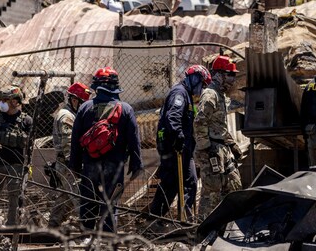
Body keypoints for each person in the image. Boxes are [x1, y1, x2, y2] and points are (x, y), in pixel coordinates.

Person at [70, 67, 143, 233]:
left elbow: (75, 140)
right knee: (110, 206)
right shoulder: (126, 109)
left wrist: (74, 165)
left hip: (89, 165)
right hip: (115, 166)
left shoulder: (85, 108)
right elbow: (134, 141)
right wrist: (136, 165)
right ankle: (108, 241)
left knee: (88, 203)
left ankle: (86, 239)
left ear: (96, 86)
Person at [149, 65, 211, 220]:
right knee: (173, 183)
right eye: (202, 84)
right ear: (195, 79)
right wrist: (179, 137)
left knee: (187, 182)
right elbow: (173, 117)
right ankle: (157, 220)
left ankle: (183, 218)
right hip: (174, 148)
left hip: (182, 148)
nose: (201, 88)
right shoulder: (179, 93)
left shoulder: (187, 95)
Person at [194, 55, 243, 220]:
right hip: (211, 150)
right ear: (219, 75)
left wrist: (232, 144)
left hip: (221, 148)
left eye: (233, 75)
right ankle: (202, 229)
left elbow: (218, 126)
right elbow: (199, 122)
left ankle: (227, 225)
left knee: (235, 184)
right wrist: (206, 149)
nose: (232, 79)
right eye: (230, 74)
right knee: (211, 193)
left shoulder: (220, 95)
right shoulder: (210, 95)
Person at [0, 85, 32, 226]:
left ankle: (11, 225)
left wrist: (29, 165)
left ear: (15, 102)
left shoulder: (26, 120)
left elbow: (30, 145)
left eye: (6, 99)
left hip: (16, 165)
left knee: (14, 196)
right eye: (2, 99)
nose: (2, 102)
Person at [48, 82, 91, 228]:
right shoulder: (67, 116)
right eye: (82, 102)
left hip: (66, 165)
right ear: (74, 100)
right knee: (79, 197)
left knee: (65, 199)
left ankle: (52, 228)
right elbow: (69, 145)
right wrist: (76, 165)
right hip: (68, 165)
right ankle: (88, 230)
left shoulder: (70, 115)